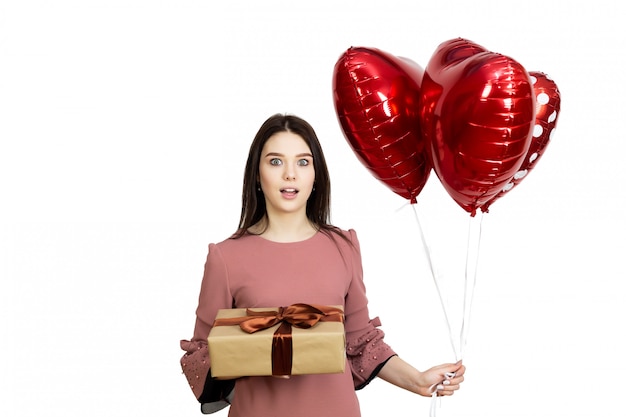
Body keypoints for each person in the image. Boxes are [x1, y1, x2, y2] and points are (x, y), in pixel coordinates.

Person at [180, 113, 465, 416]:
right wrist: (258, 351)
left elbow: (361, 342)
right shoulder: (225, 257)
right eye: (276, 161)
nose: (290, 174)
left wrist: (418, 380)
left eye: (303, 162)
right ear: (256, 175)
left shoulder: (343, 247)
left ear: (316, 174)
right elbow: (200, 355)